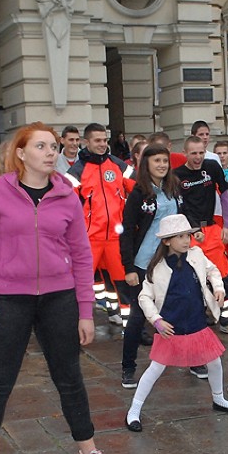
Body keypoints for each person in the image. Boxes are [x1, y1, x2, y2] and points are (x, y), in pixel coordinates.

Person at [0, 122, 122, 454]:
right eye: (41, 146)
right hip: (7, 300)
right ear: (20, 153)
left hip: (59, 298)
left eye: (53, 146)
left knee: (70, 378)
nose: (51, 152)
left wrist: (86, 310)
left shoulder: (67, 195)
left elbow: (82, 256)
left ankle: (88, 449)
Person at [125, 214, 228, 431]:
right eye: (180, 237)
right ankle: (134, 410)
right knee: (155, 369)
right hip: (171, 326)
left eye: (187, 235)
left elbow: (213, 270)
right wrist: (156, 320)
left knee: (214, 362)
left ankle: (218, 398)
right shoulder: (157, 267)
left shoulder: (196, 254)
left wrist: (218, 288)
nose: (187, 241)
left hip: (196, 321)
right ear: (167, 241)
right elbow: (144, 297)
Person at [119, 145, 182, 389]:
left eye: (165, 161)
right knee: (138, 317)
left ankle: (190, 358)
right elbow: (125, 232)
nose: (162, 165)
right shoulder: (138, 193)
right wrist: (129, 268)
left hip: (171, 261)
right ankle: (128, 367)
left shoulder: (174, 189)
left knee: (179, 310)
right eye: (157, 161)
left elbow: (181, 219)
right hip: (144, 264)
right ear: (146, 164)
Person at [64, 123, 136, 327]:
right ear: (86, 142)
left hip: (116, 237)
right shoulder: (76, 171)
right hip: (89, 239)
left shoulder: (119, 165)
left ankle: (131, 328)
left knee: (124, 284)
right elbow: (66, 207)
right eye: (97, 140)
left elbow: (141, 188)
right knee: (80, 284)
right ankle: (73, 329)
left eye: (105, 140)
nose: (103, 144)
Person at [174, 135, 228, 338]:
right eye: (193, 153)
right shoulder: (177, 175)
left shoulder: (212, 167)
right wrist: (192, 229)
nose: (197, 157)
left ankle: (227, 319)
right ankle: (199, 319)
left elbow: (225, 195)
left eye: (201, 152)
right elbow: (179, 206)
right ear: (185, 153)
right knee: (192, 277)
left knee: (222, 273)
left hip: (212, 229)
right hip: (189, 232)